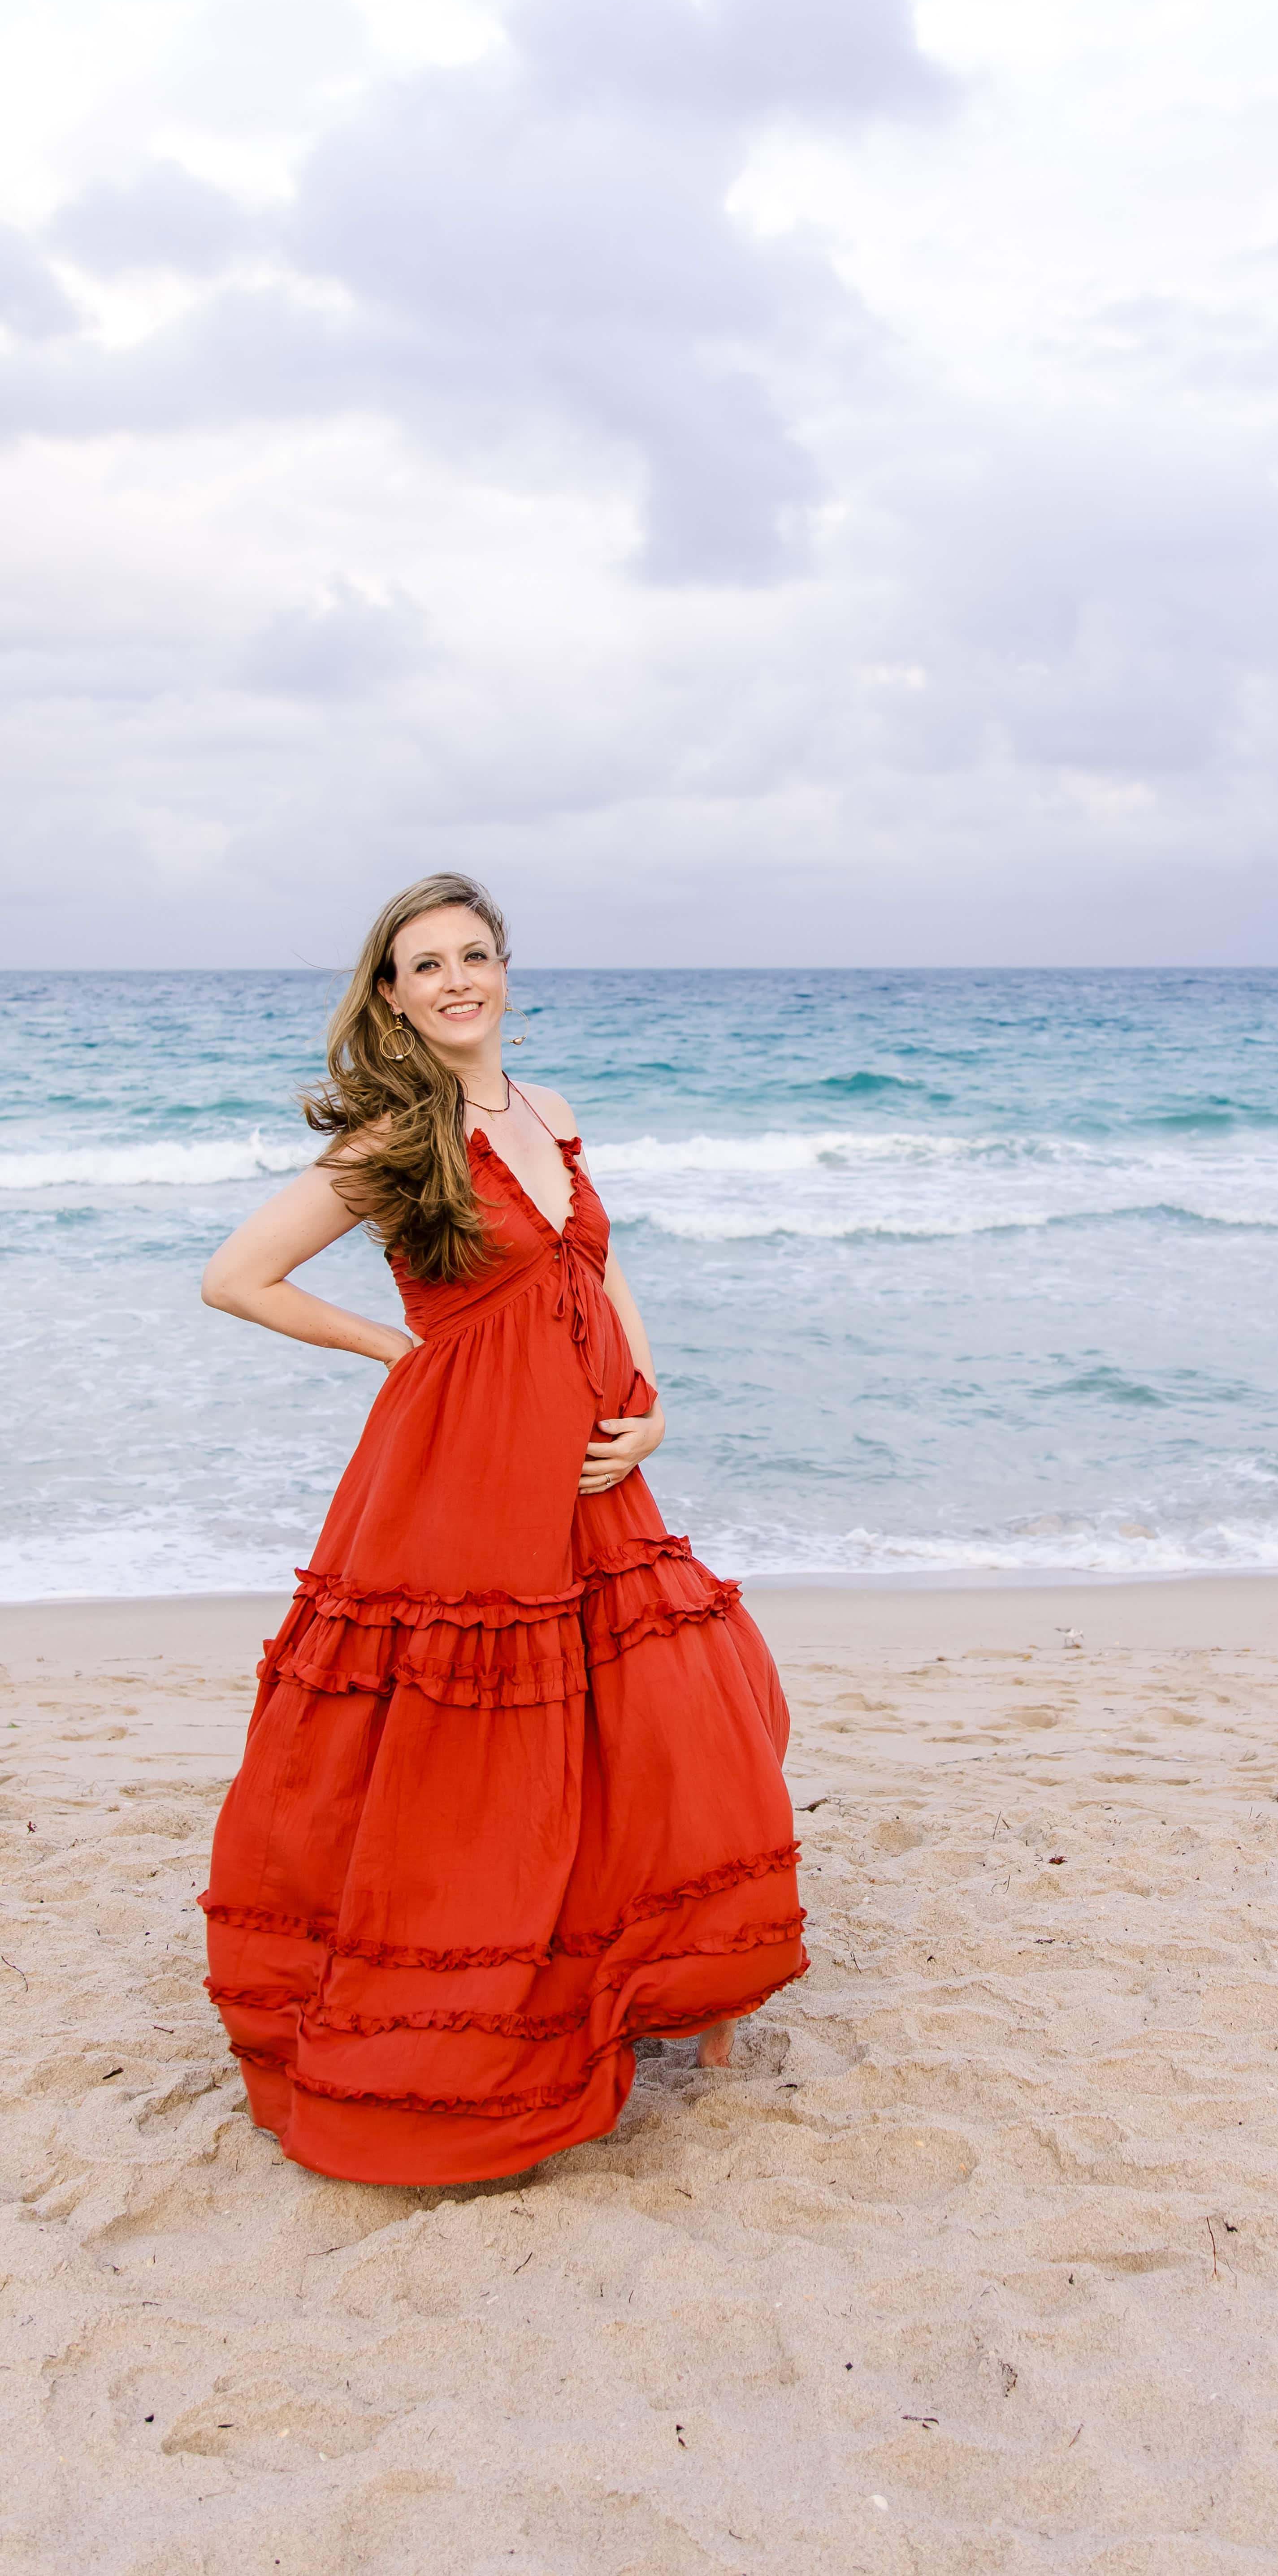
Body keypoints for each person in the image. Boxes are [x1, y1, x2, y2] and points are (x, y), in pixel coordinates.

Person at [198, 873, 805, 2184]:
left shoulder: (552, 1112)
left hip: (590, 1464)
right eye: (426, 965)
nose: (457, 980)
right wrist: (401, 1353)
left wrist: (649, 1407)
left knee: (653, 1707)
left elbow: (600, 1267)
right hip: (462, 1468)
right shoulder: (394, 1139)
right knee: (469, 1744)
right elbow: (236, 1278)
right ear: (392, 997)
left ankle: (662, 1979)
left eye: (474, 955)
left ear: (505, 973)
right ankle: (465, 2033)